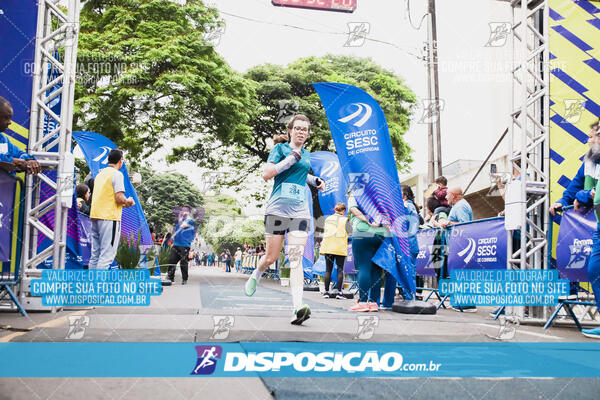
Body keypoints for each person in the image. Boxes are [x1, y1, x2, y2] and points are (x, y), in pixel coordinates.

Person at [244, 114, 325, 325]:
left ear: (308, 133)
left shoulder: (307, 154)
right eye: (298, 128)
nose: (301, 132)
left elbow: (300, 174)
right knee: (270, 258)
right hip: (277, 209)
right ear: (290, 130)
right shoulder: (280, 150)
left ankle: (297, 307)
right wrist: (291, 159)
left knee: (296, 259)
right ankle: (256, 274)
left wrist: (314, 180)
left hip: (299, 211)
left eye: (305, 129)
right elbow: (267, 174)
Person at [88, 149, 135, 269]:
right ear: (121, 161)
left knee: (95, 255)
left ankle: (90, 286)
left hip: (95, 215)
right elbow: (119, 197)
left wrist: (124, 203)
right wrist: (128, 201)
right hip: (109, 217)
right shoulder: (117, 174)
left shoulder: (99, 175)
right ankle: (99, 287)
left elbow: (106, 198)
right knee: (107, 256)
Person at [379, 185, 421, 310]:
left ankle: (409, 299)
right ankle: (405, 298)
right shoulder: (410, 206)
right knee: (402, 272)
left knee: (408, 272)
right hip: (406, 244)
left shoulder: (407, 206)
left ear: (404, 195)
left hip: (407, 245)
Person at [347, 191, 389, 312]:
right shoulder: (380, 191)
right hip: (381, 234)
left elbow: (354, 209)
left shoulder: (357, 192)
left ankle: (363, 302)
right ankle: (374, 303)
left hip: (362, 232)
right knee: (376, 269)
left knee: (363, 267)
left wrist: (368, 219)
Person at [0, 96, 41, 175]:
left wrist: (29, 160)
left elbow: (20, 154)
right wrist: (13, 161)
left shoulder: (3, 139)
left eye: (10, 118)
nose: (9, 122)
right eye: (6, 117)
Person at [320, 202, 350, 299]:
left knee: (328, 269)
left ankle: (326, 292)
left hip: (328, 246)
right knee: (340, 269)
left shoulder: (328, 219)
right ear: (344, 211)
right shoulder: (346, 220)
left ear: (335, 210)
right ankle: (338, 292)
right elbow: (350, 232)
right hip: (340, 247)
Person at [168, 208, 195, 284]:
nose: (184, 212)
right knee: (172, 261)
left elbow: (185, 226)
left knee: (183, 262)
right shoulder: (179, 221)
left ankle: (184, 279)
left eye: (186, 211)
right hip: (176, 244)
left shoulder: (190, 220)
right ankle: (170, 278)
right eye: (182, 211)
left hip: (185, 244)